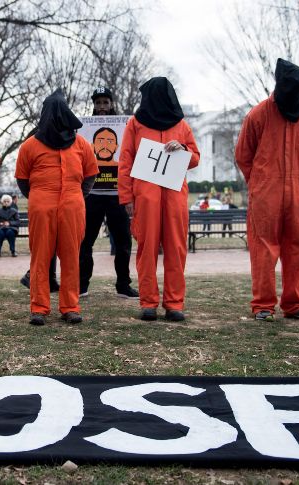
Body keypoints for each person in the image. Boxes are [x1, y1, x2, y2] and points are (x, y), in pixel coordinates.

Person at [235, 58, 299, 322]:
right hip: (266, 192)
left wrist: (296, 178)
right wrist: (260, 183)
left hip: (296, 189)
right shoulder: (259, 114)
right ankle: (263, 305)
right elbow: (243, 155)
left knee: (297, 247)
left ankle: (294, 304)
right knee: (264, 249)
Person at [118, 77, 200, 322]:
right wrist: (127, 197)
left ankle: (174, 304)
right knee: (147, 248)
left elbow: (195, 158)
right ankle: (149, 303)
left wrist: (184, 150)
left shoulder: (182, 125)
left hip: (174, 196)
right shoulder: (135, 123)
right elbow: (125, 161)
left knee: (176, 248)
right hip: (145, 196)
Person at [15, 89, 99, 326]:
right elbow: (22, 179)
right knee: (40, 256)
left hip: (72, 204)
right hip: (42, 203)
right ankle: (39, 307)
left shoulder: (81, 144)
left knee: (71, 256)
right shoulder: (30, 145)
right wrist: (38, 198)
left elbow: (91, 174)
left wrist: (76, 196)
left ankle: (70, 307)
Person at [79, 87, 139, 300]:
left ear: (111, 104)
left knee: (123, 243)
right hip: (92, 195)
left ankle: (123, 285)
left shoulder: (125, 125)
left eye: (105, 102)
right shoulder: (83, 127)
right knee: (85, 242)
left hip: (117, 195)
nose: (102, 107)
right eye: (98, 103)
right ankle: (81, 284)